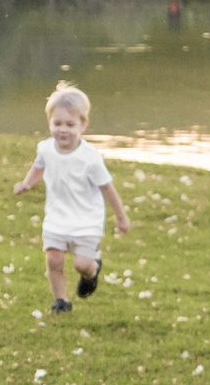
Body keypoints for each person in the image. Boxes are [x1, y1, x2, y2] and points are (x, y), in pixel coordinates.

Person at [13, 83, 130, 315]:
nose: (62, 130)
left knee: (81, 265)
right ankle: (61, 301)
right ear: (49, 122)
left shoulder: (90, 158)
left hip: (86, 220)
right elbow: (39, 166)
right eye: (57, 124)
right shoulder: (45, 149)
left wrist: (121, 217)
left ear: (83, 124)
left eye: (69, 124)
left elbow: (107, 188)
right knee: (54, 260)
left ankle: (92, 272)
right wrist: (27, 183)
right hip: (56, 217)